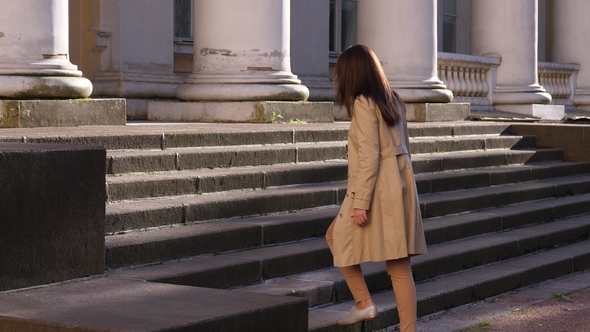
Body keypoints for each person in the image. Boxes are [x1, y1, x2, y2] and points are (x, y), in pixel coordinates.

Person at [326, 44, 428, 331]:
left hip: (377, 186)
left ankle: (364, 304)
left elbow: (369, 155)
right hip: (400, 184)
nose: (337, 78)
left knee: (336, 237)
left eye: (340, 72)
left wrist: (360, 201)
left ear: (352, 73)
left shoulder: (362, 103)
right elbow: (404, 148)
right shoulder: (392, 99)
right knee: (399, 267)